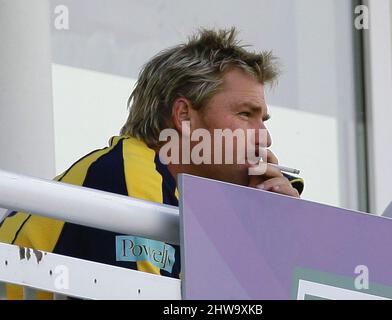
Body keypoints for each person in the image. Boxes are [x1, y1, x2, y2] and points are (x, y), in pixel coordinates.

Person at [0, 27, 303, 299]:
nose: (265, 139)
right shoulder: (131, 175)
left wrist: (267, 231)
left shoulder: (186, 200)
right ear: (184, 115)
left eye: (262, 120)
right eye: (245, 115)